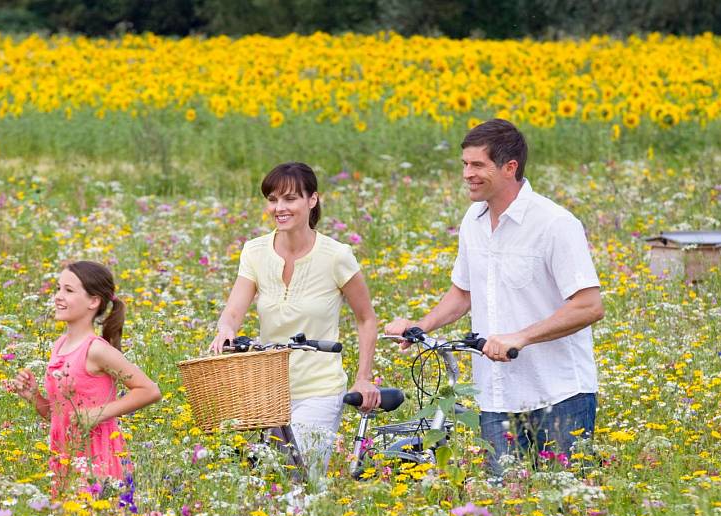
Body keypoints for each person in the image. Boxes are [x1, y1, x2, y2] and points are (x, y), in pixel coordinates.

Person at [386, 119, 604, 480]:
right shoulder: (474, 220)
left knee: (567, 510)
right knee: (506, 508)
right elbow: (463, 292)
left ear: (510, 167)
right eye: (464, 165)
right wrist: (420, 326)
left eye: (477, 165)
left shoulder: (554, 224)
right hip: (497, 398)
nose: (467, 174)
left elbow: (589, 305)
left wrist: (521, 337)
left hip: (560, 394)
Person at [210, 162, 380, 482]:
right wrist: (226, 329)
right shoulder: (255, 252)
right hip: (268, 390)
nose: (280, 208)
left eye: (290, 198)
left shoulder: (336, 255)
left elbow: (366, 318)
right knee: (270, 482)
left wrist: (364, 377)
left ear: (312, 200)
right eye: (273, 199)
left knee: (299, 479)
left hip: (319, 387)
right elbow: (234, 310)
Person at [4, 260, 161, 494]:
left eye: (68, 290)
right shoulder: (59, 346)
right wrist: (34, 396)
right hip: (65, 457)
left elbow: (150, 390)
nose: (58, 296)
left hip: (97, 458)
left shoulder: (96, 349)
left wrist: (97, 414)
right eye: (58, 288)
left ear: (93, 301)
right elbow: (58, 415)